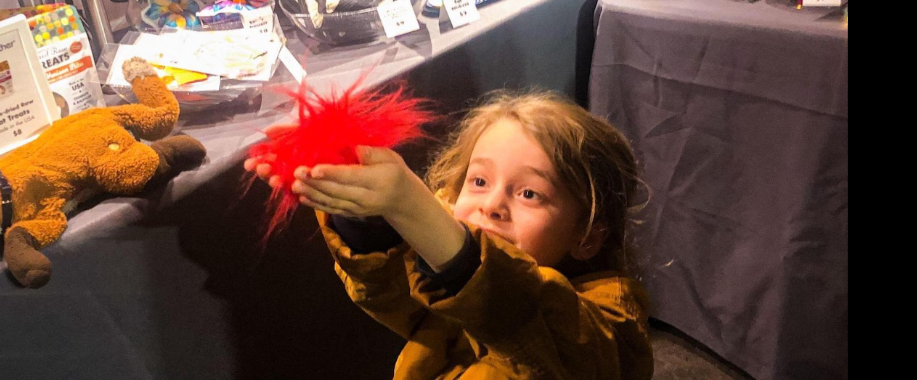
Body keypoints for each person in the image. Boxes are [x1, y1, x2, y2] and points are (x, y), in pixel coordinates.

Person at [244, 90, 653, 380]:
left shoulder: (611, 319)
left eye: (529, 193)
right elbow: (398, 293)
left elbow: (526, 315)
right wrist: (366, 220)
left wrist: (412, 208)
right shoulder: (444, 261)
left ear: (586, 237)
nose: (492, 205)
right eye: (478, 181)